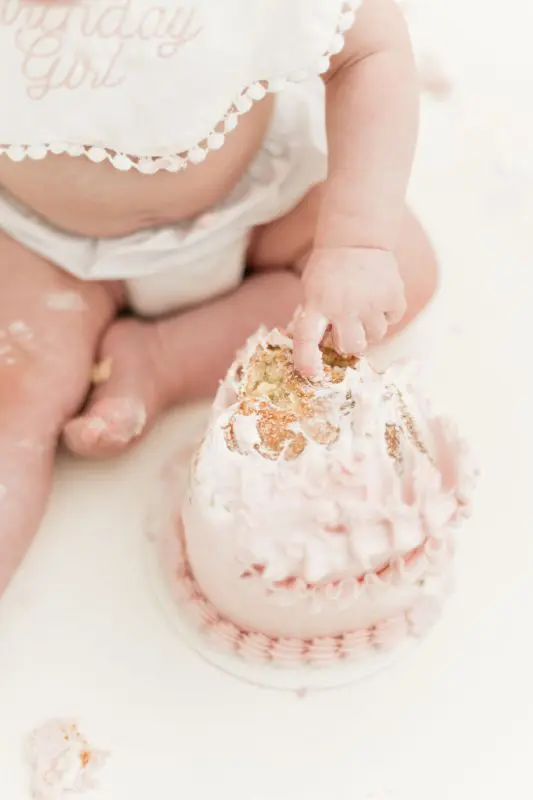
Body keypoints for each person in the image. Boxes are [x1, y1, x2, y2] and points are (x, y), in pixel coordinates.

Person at [0, 0, 437, 595]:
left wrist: (356, 243)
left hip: (256, 198)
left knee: (403, 265)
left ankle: (163, 359)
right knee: (16, 394)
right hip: (45, 246)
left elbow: (368, 50)